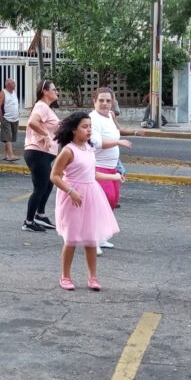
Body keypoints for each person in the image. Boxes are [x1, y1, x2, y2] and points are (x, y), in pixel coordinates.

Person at [50, 111, 121, 291]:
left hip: (91, 194)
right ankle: (65, 276)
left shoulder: (89, 148)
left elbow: (92, 174)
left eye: (90, 127)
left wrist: (114, 177)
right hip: (72, 196)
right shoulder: (68, 151)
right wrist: (70, 191)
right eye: (84, 126)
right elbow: (55, 176)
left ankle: (92, 277)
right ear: (74, 130)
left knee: (91, 238)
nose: (89, 130)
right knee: (71, 239)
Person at [89, 87, 139, 250]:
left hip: (112, 166)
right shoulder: (92, 119)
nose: (105, 104)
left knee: (112, 201)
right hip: (98, 166)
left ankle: (101, 237)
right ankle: (92, 240)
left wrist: (135, 132)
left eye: (108, 101)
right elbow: (96, 143)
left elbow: (116, 132)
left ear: (113, 102)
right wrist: (118, 142)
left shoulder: (110, 115)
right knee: (101, 203)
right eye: (101, 100)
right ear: (94, 101)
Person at [22, 79, 61, 233]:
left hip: (43, 154)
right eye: (54, 89)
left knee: (48, 184)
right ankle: (29, 221)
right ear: (45, 91)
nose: (56, 92)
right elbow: (32, 122)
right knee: (40, 187)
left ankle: (40, 215)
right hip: (37, 152)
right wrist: (45, 135)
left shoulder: (46, 108)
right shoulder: (41, 106)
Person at [0, 78, 20, 162]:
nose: (15, 85)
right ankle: (11, 155)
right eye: (13, 83)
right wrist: (1, 118)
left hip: (15, 118)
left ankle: (6, 155)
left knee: (10, 137)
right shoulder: (3, 93)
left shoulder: (14, 92)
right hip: (6, 118)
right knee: (8, 137)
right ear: (8, 85)